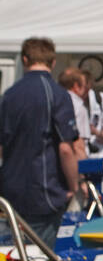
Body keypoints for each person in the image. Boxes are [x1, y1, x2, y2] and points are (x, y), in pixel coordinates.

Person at [0, 36, 80, 249]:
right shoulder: (57, 94)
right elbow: (66, 148)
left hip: (10, 191)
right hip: (44, 193)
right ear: (52, 63)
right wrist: (74, 186)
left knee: (12, 258)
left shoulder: (9, 95)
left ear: (24, 60)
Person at [58, 68, 91, 160]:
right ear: (76, 86)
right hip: (74, 161)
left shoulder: (54, 101)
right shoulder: (79, 107)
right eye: (85, 86)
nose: (87, 90)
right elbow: (79, 143)